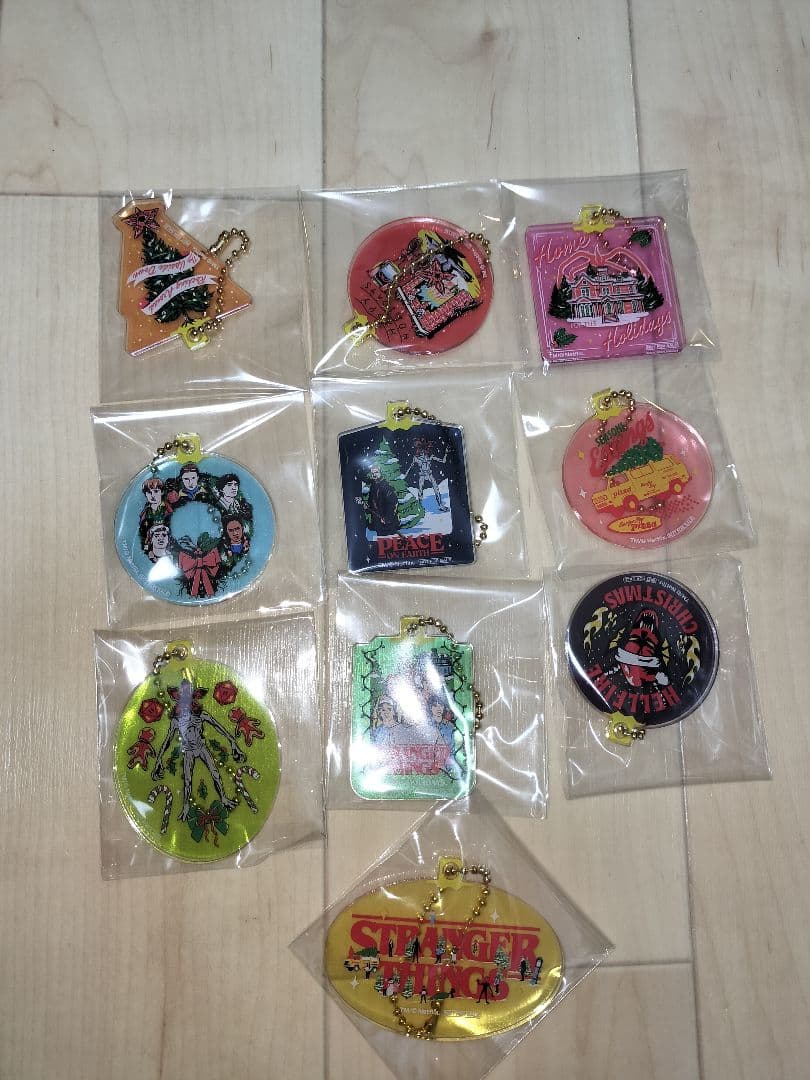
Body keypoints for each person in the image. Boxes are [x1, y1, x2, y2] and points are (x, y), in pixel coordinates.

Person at [356, 464, 401, 536]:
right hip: (378, 524)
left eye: (376, 472)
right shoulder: (373, 486)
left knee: (388, 538)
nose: (374, 475)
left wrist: (387, 518)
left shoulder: (387, 486)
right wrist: (366, 507)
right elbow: (372, 503)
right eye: (372, 473)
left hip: (388, 524)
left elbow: (393, 503)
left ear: (381, 473)